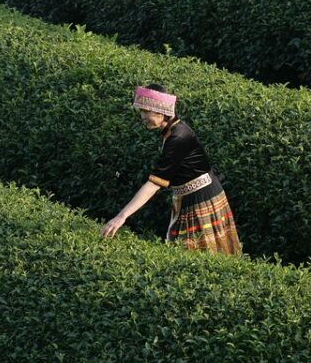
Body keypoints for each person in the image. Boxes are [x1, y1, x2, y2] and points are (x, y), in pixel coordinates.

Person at [101, 84, 241, 255]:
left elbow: (154, 184)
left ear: (161, 112)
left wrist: (121, 217)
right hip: (190, 195)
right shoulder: (172, 131)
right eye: (142, 112)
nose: (143, 117)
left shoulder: (178, 137)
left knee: (200, 254)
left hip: (200, 197)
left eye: (146, 112)